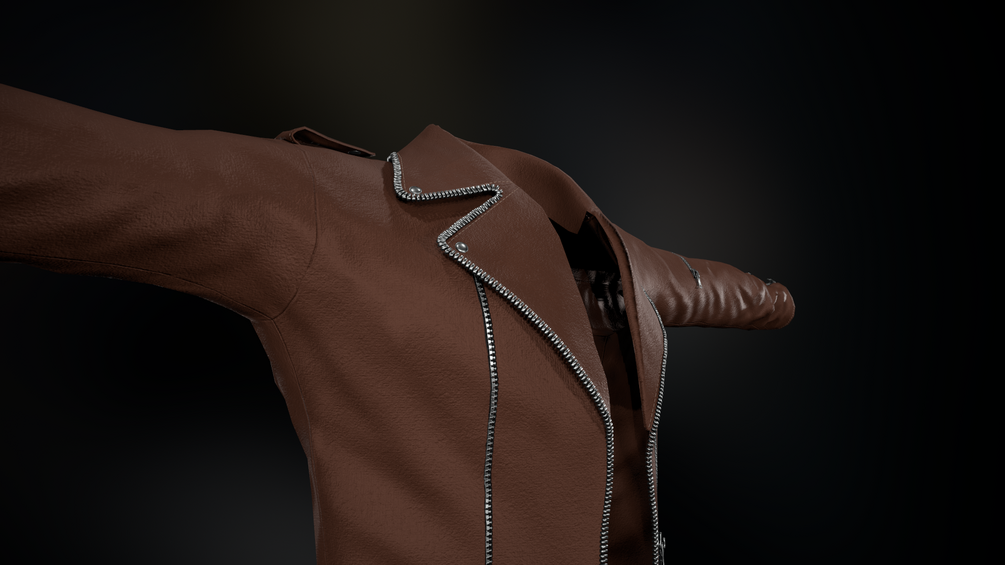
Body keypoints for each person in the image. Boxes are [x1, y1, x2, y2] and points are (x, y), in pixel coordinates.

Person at [1, 83, 794, 564]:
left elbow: (724, 291)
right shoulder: (327, 211)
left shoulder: (626, 271)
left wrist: (761, 297)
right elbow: (63, 169)